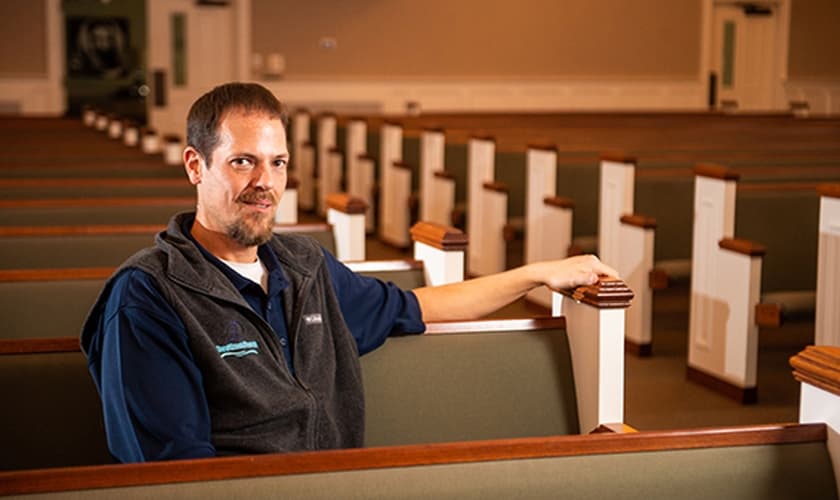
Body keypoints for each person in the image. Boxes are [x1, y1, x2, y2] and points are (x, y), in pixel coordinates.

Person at [81, 82, 618, 463]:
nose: (265, 182)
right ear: (196, 166)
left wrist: (535, 274)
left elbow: (421, 306)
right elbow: (178, 474)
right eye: (243, 161)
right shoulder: (149, 296)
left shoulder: (306, 266)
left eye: (277, 162)